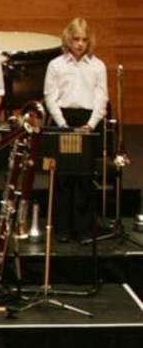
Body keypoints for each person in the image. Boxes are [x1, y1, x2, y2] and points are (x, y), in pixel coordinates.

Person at [44, 18, 109, 241]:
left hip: (87, 121)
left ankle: (82, 228)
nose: (80, 44)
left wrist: (90, 125)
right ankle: (62, 228)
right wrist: (62, 124)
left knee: (83, 176)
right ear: (68, 40)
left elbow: (102, 97)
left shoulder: (98, 66)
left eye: (84, 39)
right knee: (63, 176)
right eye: (76, 39)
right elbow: (50, 96)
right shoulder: (56, 65)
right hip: (63, 119)